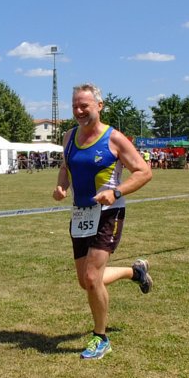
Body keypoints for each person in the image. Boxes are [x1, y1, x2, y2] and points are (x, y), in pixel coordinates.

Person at [53, 83, 153, 360]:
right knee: (86, 282)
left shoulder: (115, 138)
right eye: (75, 105)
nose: (78, 110)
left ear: (99, 106)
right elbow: (65, 168)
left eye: (84, 105)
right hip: (80, 214)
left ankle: (101, 337)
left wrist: (116, 191)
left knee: (92, 277)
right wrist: (62, 187)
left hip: (109, 214)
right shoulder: (69, 137)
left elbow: (144, 172)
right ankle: (135, 273)